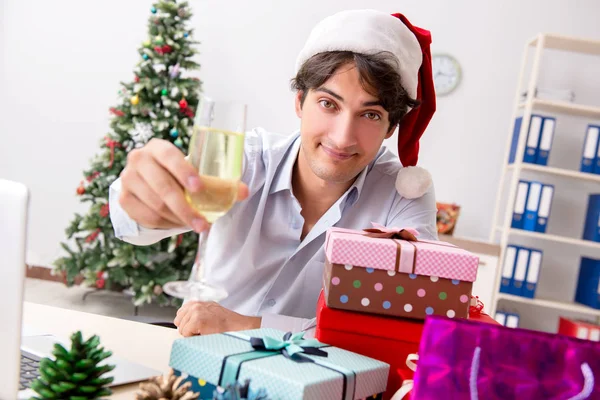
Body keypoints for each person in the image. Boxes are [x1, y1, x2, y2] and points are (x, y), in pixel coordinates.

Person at [108, 9, 438, 336]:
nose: (342, 137)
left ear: (392, 126)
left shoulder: (404, 196)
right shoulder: (244, 159)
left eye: (370, 115)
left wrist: (248, 326)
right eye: (328, 104)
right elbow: (134, 222)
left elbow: (397, 330)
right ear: (300, 101)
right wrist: (143, 199)